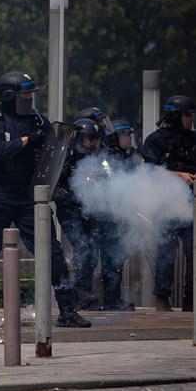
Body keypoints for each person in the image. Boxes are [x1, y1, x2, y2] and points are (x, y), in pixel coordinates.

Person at [0, 72, 90, 328]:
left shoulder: (37, 120)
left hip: (29, 195)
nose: (29, 99)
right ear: (8, 95)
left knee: (52, 252)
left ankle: (67, 310)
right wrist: (26, 141)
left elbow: (56, 151)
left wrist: (47, 155)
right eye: (25, 94)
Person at [71, 110, 136, 311]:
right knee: (87, 255)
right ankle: (83, 296)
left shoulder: (103, 155)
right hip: (86, 214)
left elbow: (111, 176)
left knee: (113, 255)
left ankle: (112, 299)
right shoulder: (75, 153)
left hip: (107, 212)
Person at [142, 95, 196, 312]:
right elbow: (151, 170)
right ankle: (162, 299)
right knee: (166, 253)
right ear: (176, 116)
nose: (191, 119)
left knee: (195, 252)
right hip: (166, 206)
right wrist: (179, 175)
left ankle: (192, 300)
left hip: (191, 205)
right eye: (187, 115)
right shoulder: (156, 140)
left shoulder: (194, 140)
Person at [54, 118, 105, 311]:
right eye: (89, 138)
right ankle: (79, 292)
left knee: (92, 250)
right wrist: (67, 194)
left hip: (88, 209)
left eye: (95, 138)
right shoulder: (65, 156)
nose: (92, 142)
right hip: (69, 210)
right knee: (82, 246)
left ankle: (82, 290)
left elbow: (107, 176)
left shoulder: (96, 158)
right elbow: (54, 185)